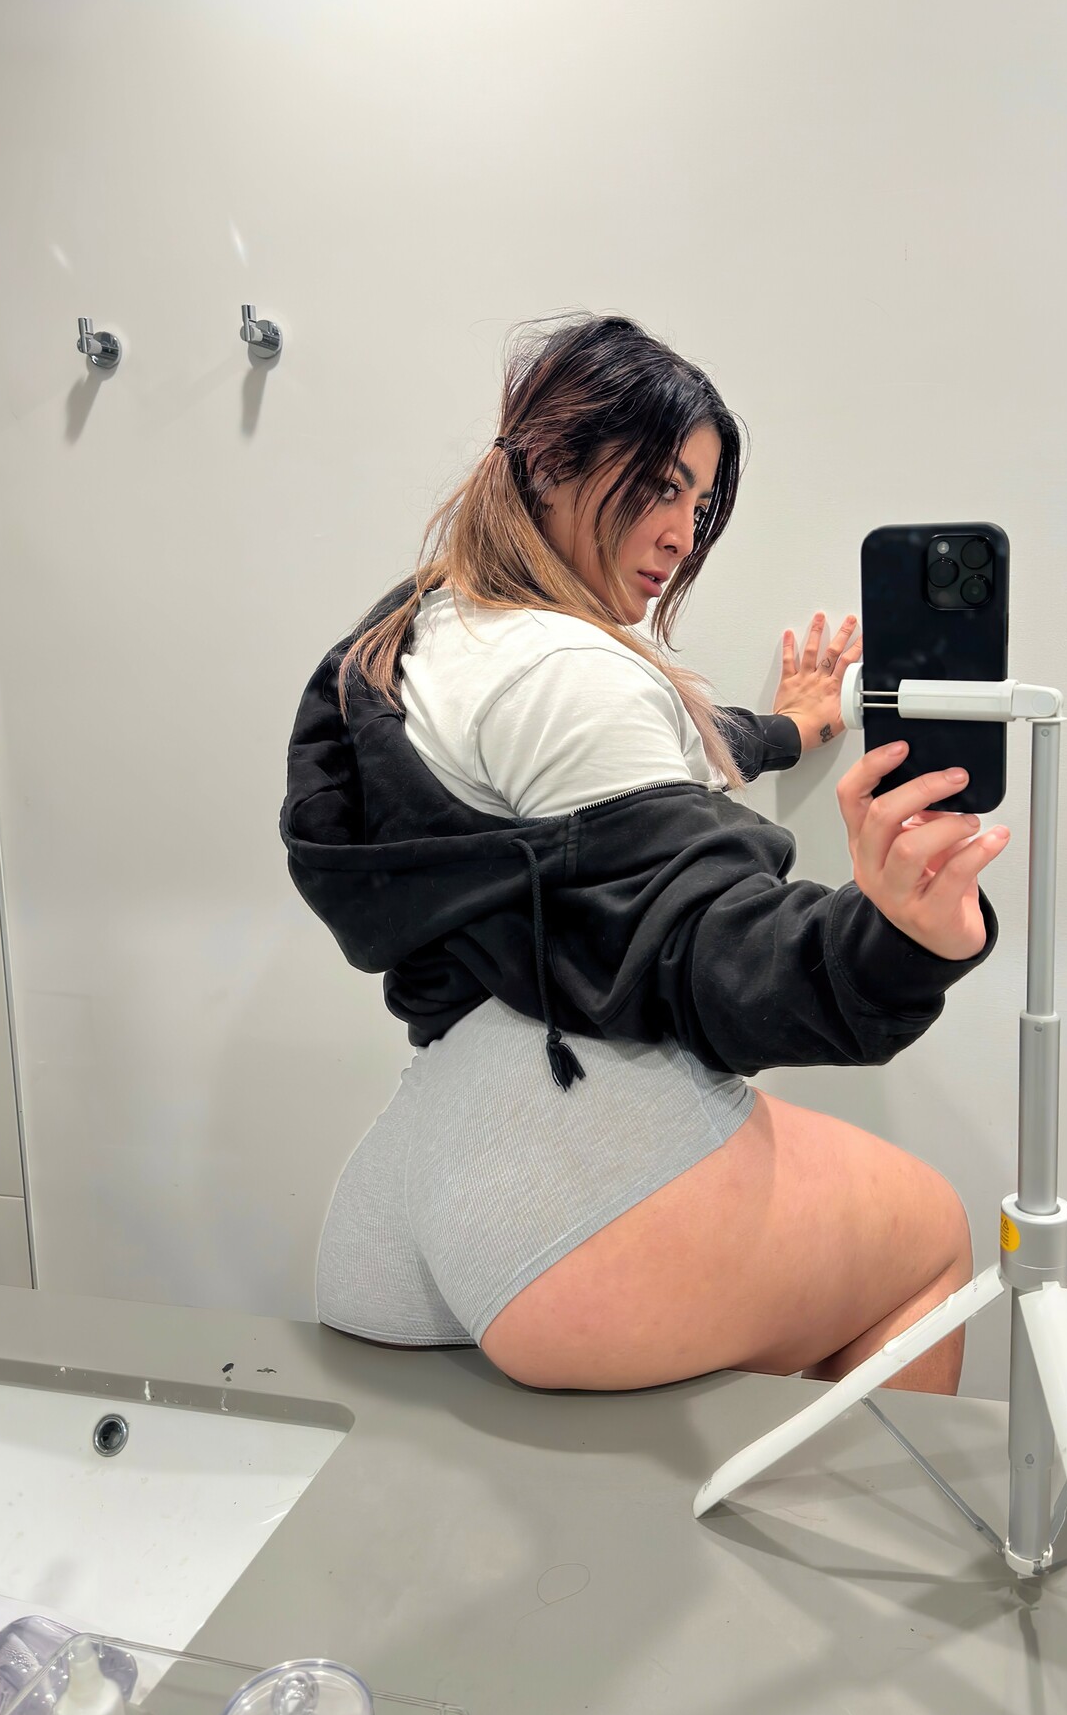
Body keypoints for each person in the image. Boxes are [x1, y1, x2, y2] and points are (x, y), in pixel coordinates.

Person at [281, 312, 1008, 1394]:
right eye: (663, 487)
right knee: (932, 1238)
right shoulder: (569, 672)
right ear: (551, 460)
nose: (682, 534)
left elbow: (597, 812)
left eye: (699, 504)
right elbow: (708, 953)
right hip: (569, 1174)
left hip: (423, 1168)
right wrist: (898, 940)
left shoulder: (415, 636)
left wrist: (787, 729)